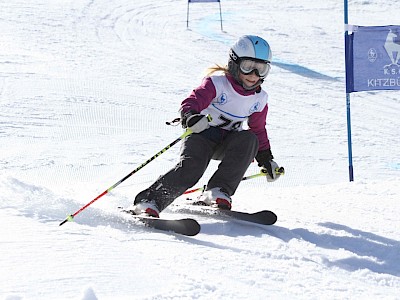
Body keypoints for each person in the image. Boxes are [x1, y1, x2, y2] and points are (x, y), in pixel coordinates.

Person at [131, 35, 283, 217]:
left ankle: (217, 191)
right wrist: (191, 117)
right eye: (248, 67)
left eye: (261, 69)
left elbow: (258, 130)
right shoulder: (217, 84)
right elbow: (192, 101)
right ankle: (150, 200)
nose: (254, 75)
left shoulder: (259, 98)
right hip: (201, 136)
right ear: (235, 64)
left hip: (228, 143)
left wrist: (266, 158)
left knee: (249, 139)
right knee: (192, 169)